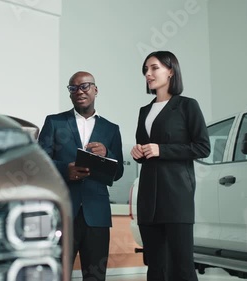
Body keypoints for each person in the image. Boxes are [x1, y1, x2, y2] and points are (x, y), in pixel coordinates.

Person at [130, 51, 210, 281]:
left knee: (182, 267)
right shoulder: (144, 111)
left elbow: (202, 147)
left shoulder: (187, 106)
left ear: (171, 70)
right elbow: (145, 147)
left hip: (176, 197)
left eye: (154, 68)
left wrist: (161, 149)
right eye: (146, 69)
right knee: (155, 267)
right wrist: (138, 152)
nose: (148, 73)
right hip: (148, 198)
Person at [38, 71, 124, 281]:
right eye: (73, 88)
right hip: (63, 213)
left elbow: (119, 171)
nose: (79, 91)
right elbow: (40, 162)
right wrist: (63, 171)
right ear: (70, 94)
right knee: (56, 274)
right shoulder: (54, 122)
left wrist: (107, 154)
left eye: (85, 86)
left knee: (95, 276)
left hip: (97, 215)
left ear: (96, 90)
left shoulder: (111, 129)